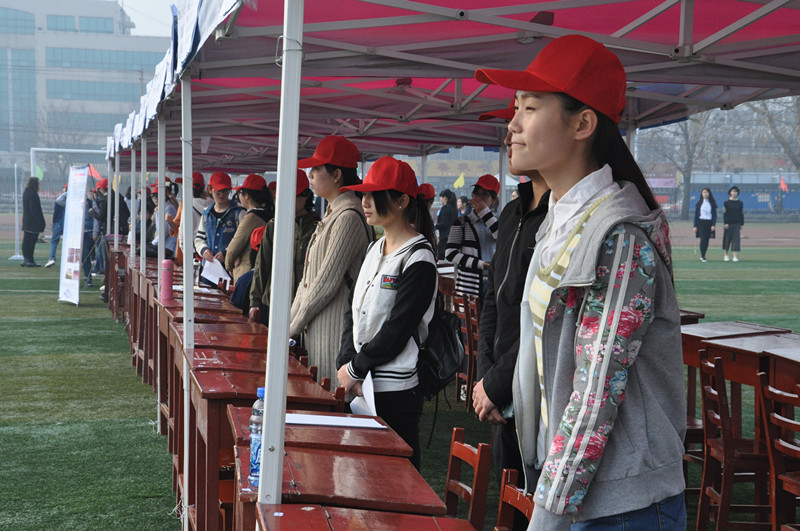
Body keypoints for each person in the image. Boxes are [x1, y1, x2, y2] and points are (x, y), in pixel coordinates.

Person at [476, 34, 686, 529]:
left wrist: (548, 512)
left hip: (624, 504)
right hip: (572, 489)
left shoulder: (618, 238)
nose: (512, 124)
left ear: (583, 124)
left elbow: (596, 391)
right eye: (515, 107)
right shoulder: (558, 221)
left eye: (530, 108)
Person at [471, 103, 550, 529]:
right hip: (503, 396)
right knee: (509, 507)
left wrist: (497, 384)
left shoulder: (559, 217)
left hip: (537, 397)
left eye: (528, 113)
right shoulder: (512, 212)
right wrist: (487, 378)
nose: (510, 132)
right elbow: (492, 301)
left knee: (535, 509)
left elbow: (543, 320)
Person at [336, 156, 438, 470]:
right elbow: (353, 310)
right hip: (362, 385)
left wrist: (355, 368)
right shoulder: (373, 248)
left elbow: (398, 328)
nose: (364, 202)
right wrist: (347, 362)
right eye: (363, 194)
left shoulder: (419, 257)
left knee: (397, 474)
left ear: (402, 201)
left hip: (395, 389)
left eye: (373, 195)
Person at [290, 135, 373, 384]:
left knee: (331, 397)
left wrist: (293, 327)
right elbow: (307, 281)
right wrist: (290, 324)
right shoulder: (332, 214)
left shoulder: (348, 217)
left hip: (335, 335)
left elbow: (325, 284)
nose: (310, 175)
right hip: (319, 331)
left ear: (336, 175)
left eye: (316, 169)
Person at [249, 170, 319, 325]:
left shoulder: (317, 227)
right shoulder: (274, 226)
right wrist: (254, 301)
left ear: (306, 195)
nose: (287, 200)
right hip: (273, 302)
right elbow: (262, 265)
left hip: (302, 306)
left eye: (293, 196)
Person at [445, 174, 500, 299]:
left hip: (493, 282)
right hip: (469, 286)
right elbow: (450, 253)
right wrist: (480, 264)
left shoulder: (497, 223)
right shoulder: (461, 223)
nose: (479, 199)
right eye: (476, 194)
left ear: (493, 200)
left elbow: (502, 238)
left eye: (484, 195)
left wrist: (485, 213)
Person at [193, 171, 245, 284]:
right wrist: (204, 250)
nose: (222, 195)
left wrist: (227, 253)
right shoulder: (206, 213)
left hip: (231, 271)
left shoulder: (239, 212)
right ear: (210, 190)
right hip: (209, 271)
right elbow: (199, 239)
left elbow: (243, 240)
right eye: (218, 191)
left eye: (225, 191)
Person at [225, 174, 274, 284]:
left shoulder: (252, 218)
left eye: (240, 193)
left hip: (247, 274)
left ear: (246, 195)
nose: (239, 197)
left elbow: (234, 246)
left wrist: (229, 265)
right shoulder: (270, 214)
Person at [169, 172, 213, 264]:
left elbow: (181, 231)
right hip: (209, 251)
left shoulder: (186, 204)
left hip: (192, 252)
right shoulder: (214, 204)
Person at [21, 177, 46, 267]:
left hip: (27, 220)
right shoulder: (33, 195)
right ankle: (30, 260)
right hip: (33, 222)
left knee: (26, 241)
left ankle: (26, 259)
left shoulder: (26, 193)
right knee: (31, 242)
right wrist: (40, 221)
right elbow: (34, 210)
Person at [45, 184, 68, 268]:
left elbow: (58, 200)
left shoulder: (62, 199)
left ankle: (51, 258)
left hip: (58, 222)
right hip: (66, 223)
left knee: (54, 241)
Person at [693, 187, 717, 262]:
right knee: (703, 239)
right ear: (702, 194)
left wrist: (713, 225)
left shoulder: (712, 204)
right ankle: (702, 256)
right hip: (701, 223)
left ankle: (704, 253)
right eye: (704, 192)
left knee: (707, 240)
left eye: (706, 192)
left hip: (709, 223)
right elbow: (696, 215)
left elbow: (714, 215)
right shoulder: (699, 203)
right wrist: (695, 226)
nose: (705, 194)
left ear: (709, 193)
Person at [722, 185, 744, 262]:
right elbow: (725, 213)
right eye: (733, 191)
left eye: (736, 192)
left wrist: (741, 224)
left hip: (737, 223)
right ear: (730, 193)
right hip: (728, 224)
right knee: (727, 239)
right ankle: (726, 255)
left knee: (736, 240)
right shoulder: (726, 202)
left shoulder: (740, 203)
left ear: (738, 193)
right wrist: (726, 223)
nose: (734, 193)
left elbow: (741, 213)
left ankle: (735, 256)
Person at [435, 189, 457, 259]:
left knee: (442, 257)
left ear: (444, 197)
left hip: (444, 237)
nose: (440, 200)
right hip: (451, 237)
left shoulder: (446, 208)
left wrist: (435, 226)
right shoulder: (454, 208)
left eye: (440, 197)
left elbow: (444, 223)